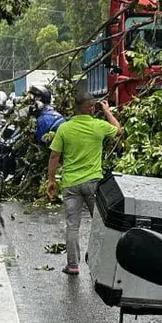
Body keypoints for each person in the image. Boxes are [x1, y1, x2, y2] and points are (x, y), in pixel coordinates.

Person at [46, 83, 123, 275]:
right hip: (93, 183)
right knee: (100, 224)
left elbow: (54, 156)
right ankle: (99, 264)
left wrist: (51, 180)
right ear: (91, 108)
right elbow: (118, 130)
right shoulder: (99, 126)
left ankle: (73, 265)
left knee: (72, 226)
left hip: (71, 184)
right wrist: (107, 111)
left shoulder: (64, 128)